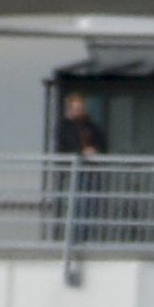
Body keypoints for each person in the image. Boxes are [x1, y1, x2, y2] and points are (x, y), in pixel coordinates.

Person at [51, 91, 107, 242]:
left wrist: (95, 150)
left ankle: (87, 237)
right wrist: (81, 152)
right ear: (70, 109)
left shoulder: (91, 126)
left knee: (90, 206)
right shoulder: (64, 126)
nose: (79, 111)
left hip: (90, 172)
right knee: (77, 206)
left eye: (81, 108)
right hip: (73, 172)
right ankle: (75, 238)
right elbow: (65, 145)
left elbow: (102, 142)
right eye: (76, 108)